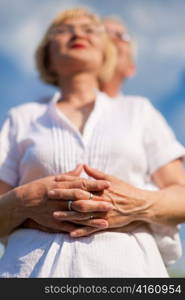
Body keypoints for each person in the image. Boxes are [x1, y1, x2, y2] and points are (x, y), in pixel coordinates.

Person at [0, 7, 185, 278]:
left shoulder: (139, 111)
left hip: (132, 272)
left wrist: (138, 202)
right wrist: (25, 200)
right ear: (47, 56)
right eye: (62, 30)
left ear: (105, 54)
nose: (77, 32)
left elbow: (180, 195)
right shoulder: (21, 117)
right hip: (31, 272)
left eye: (90, 30)